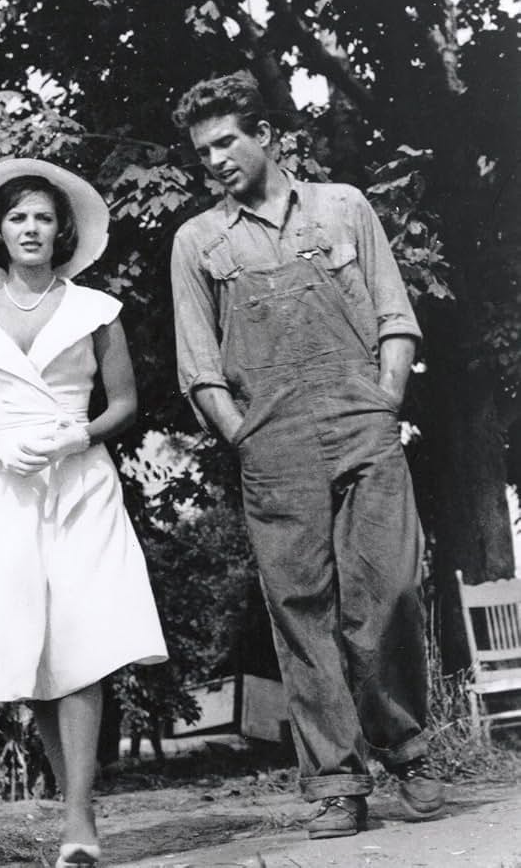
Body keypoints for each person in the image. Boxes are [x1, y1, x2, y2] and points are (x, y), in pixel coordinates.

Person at [169, 71, 445, 840]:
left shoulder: (343, 208)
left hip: (363, 422)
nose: (216, 159)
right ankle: (336, 783)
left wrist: (385, 399)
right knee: (302, 613)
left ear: (267, 136)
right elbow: (199, 366)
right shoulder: (199, 241)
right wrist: (243, 435)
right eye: (203, 152)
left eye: (227, 141)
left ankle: (410, 749)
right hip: (274, 443)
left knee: (388, 593)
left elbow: (396, 314)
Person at [0, 158, 167, 868]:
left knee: (83, 641)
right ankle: (76, 807)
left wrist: (80, 432)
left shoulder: (96, 309)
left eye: (42, 217)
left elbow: (124, 403)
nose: (31, 228)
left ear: (60, 229)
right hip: (10, 488)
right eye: (17, 219)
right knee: (33, 648)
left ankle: (79, 820)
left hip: (83, 483)